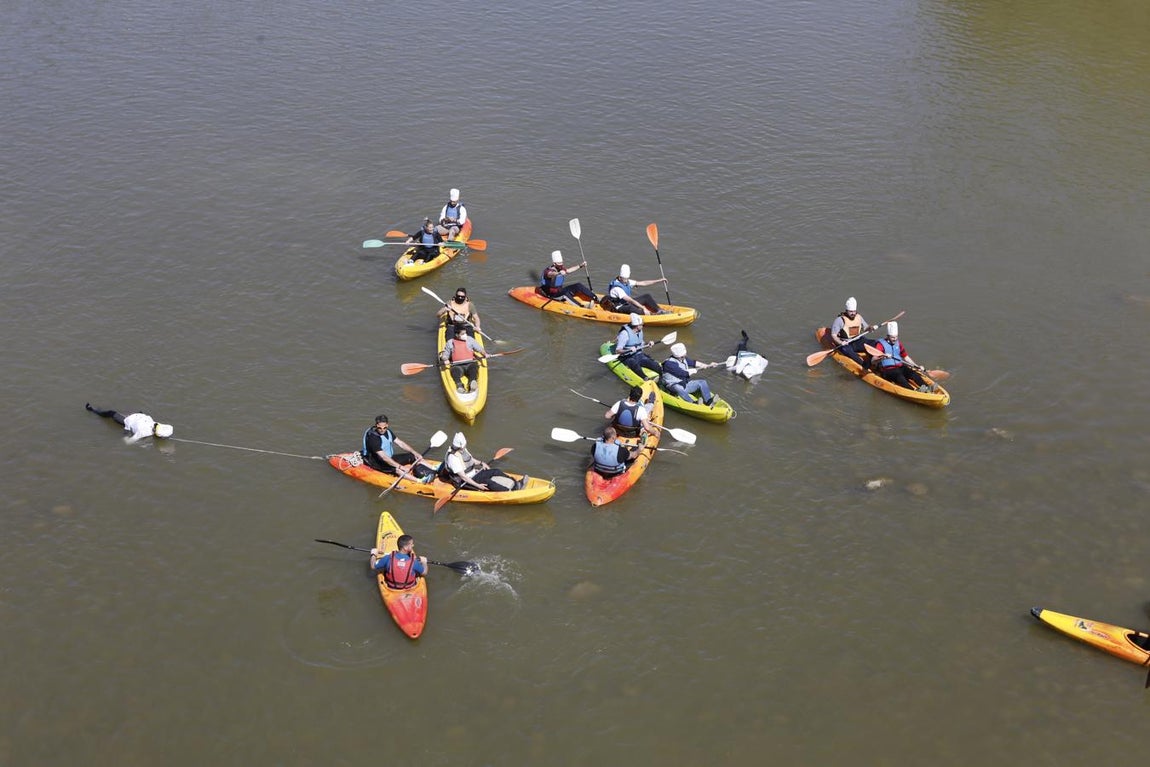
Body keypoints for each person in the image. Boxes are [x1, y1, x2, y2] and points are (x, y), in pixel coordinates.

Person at [361, 414, 435, 479]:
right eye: (380, 428)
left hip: (388, 458)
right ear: (376, 425)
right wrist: (400, 467)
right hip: (376, 462)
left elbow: (400, 443)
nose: (382, 430)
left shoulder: (388, 431)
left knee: (413, 456)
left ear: (387, 425)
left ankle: (434, 468)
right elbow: (383, 457)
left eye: (384, 428)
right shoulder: (373, 438)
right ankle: (420, 481)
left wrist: (415, 453)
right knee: (397, 469)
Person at [441, 432, 523, 491]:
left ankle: (515, 482)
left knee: (495, 471)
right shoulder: (453, 458)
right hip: (466, 480)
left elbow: (470, 459)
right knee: (488, 482)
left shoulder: (462, 450)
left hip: (474, 473)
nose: (465, 445)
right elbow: (463, 477)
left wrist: (481, 463)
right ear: (460, 446)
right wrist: (478, 485)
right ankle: (510, 491)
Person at [870, 322, 932, 392]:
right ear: (888, 336)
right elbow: (873, 361)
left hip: (900, 367)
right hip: (887, 370)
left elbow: (906, 357)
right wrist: (883, 357)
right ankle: (913, 391)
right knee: (899, 376)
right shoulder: (880, 345)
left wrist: (917, 366)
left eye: (896, 337)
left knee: (913, 373)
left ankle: (927, 388)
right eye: (893, 337)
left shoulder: (898, 344)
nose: (895, 339)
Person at [86, 403, 174, 443]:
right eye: (156, 425)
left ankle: (92, 410)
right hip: (138, 416)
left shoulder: (142, 433)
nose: (155, 425)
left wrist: (125, 436)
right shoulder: (159, 425)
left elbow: (129, 441)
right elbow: (170, 428)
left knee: (111, 413)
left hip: (128, 420)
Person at [828, 297, 875, 367]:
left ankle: (873, 360)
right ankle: (863, 364)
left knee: (875, 343)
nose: (853, 313)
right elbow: (834, 335)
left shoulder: (859, 317)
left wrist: (870, 328)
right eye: (850, 311)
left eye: (854, 311)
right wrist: (841, 342)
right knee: (848, 351)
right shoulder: (839, 320)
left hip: (857, 340)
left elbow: (866, 328)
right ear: (846, 310)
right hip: (846, 343)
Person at [440, 324, 487, 393]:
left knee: (474, 369)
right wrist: (445, 359)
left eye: (465, 333)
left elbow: (480, 349)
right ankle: (459, 385)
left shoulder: (470, 340)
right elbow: (445, 355)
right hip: (457, 366)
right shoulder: (450, 343)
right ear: (456, 335)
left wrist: (485, 354)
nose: (465, 335)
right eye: (463, 334)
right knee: (454, 372)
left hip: (470, 363)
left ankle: (472, 382)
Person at [613, 314, 660, 378]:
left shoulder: (639, 331)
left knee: (652, 363)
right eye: (641, 324)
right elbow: (617, 351)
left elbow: (641, 343)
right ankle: (645, 378)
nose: (643, 325)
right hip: (627, 357)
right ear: (637, 326)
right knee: (635, 365)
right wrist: (628, 350)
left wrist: (648, 343)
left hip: (638, 354)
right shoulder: (624, 334)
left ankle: (662, 374)